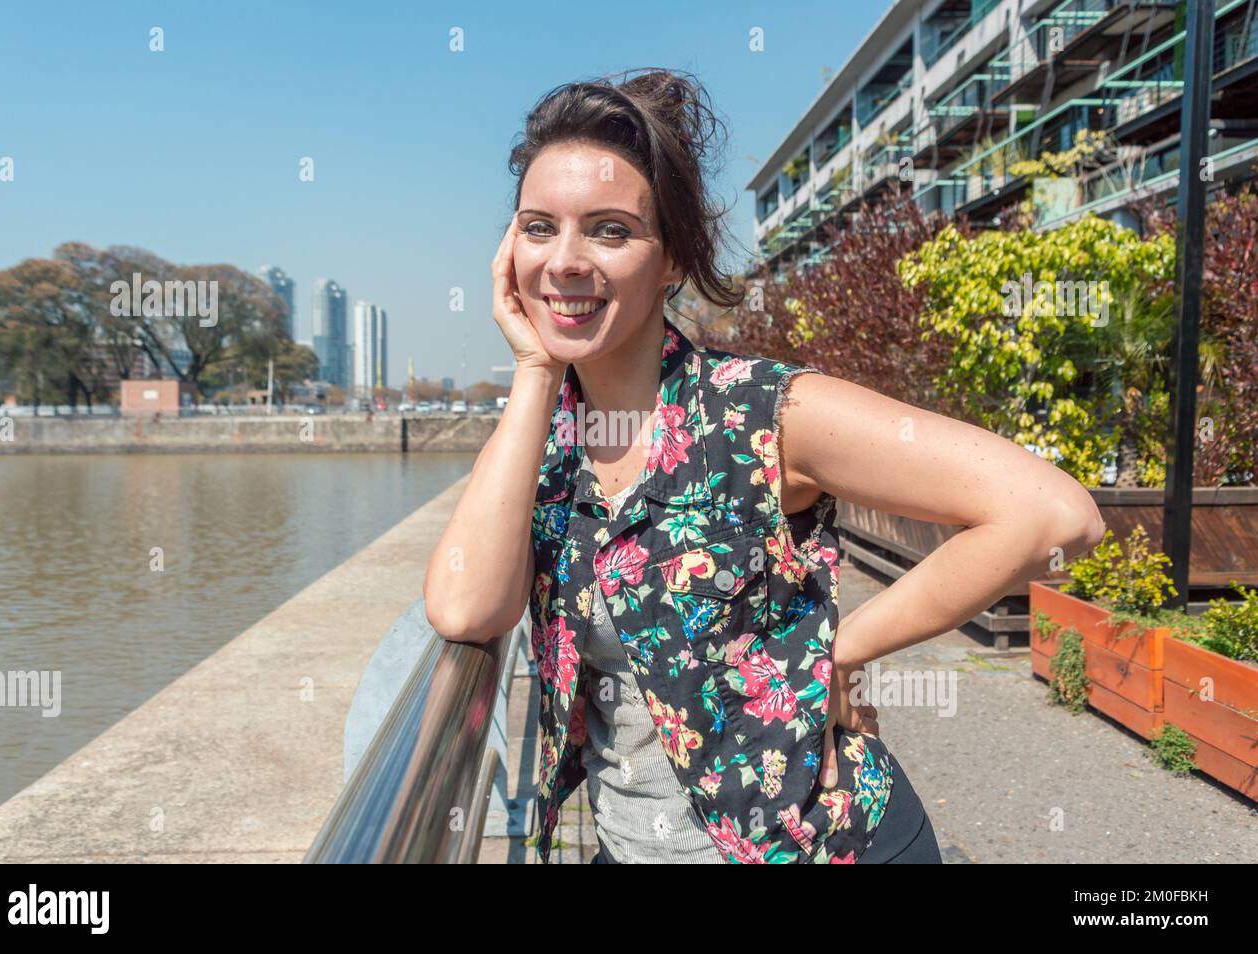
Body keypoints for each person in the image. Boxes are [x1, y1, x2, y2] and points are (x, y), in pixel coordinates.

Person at [424, 68, 1105, 864]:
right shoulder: (542, 436)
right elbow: (467, 611)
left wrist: (838, 650)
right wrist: (535, 371)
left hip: (820, 845)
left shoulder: (760, 411)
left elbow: (1055, 515)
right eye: (539, 227)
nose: (567, 261)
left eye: (609, 230)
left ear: (672, 257)